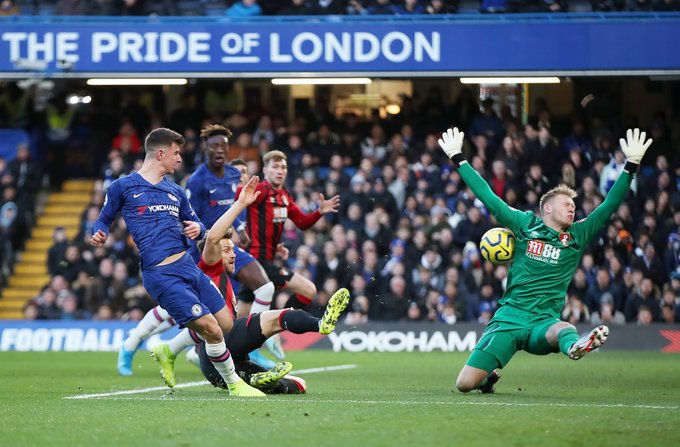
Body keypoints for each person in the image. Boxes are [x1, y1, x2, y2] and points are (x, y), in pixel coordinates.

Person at [437, 127, 652, 393]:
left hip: (543, 321)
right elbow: (489, 198)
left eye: (574, 206)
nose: (572, 208)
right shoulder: (525, 224)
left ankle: (574, 346)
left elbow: (608, 205)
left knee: (563, 329)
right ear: (547, 207)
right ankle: (487, 378)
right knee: (464, 385)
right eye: (566, 204)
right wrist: (459, 158)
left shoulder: (577, 235)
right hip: (510, 318)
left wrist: (631, 166)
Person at [118, 175, 350, 392]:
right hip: (218, 352)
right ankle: (320, 324)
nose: (233, 256)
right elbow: (212, 237)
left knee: (298, 385)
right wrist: (240, 204)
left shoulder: (223, 278)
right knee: (275, 317)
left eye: (233, 251)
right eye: (227, 251)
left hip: (220, 365)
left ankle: (253, 377)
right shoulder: (209, 265)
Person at [92, 127, 264, 397]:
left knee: (227, 324)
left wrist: (197, 227)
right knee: (211, 329)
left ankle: (167, 350)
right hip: (161, 275)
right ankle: (235, 386)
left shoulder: (176, 191)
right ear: (160, 153)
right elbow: (103, 217)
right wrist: (99, 232)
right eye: (176, 153)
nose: (180, 158)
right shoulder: (123, 186)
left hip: (187, 266)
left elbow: (197, 223)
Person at [236, 150, 340, 316]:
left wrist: (319, 212)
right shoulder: (261, 190)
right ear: (265, 170)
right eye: (275, 166)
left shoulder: (284, 195)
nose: (280, 171)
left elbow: (302, 222)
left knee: (237, 324)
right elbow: (236, 196)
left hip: (263, 261)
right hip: (257, 260)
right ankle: (281, 320)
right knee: (309, 290)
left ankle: (224, 340)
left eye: (283, 167)